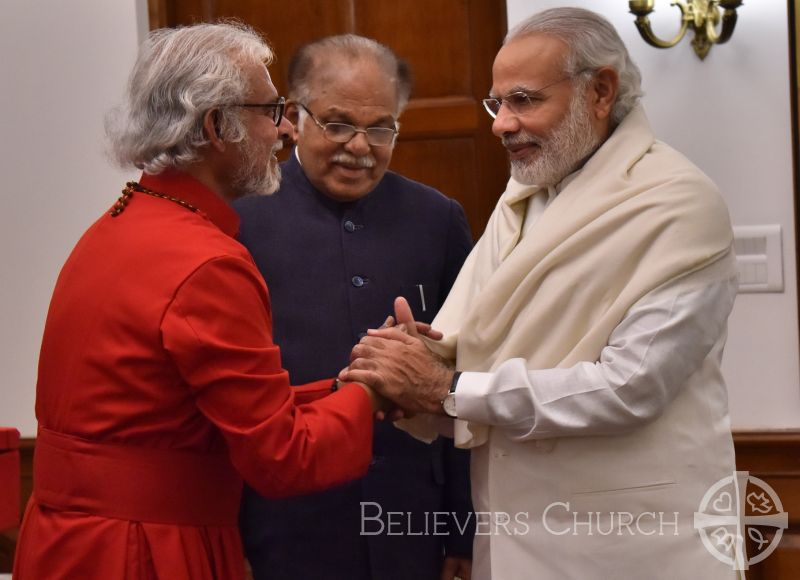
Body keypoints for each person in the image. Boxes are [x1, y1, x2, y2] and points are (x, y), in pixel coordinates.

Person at [344, 8, 739, 580]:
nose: (502, 124)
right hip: (516, 543)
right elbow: (482, 338)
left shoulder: (678, 203)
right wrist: (414, 359)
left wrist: (448, 387)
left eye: (525, 100)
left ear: (600, 90)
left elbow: (630, 387)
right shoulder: (524, 195)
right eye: (496, 103)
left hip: (630, 549)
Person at [13, 22, 386, 580]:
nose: (284, 129)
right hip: (145, 552)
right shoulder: (208, 262)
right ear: (217, 125)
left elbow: (200, 412)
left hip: (71, 542)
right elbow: (283, 456)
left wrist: (340, 390)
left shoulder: (117, 225)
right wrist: (373, 389)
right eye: (271, 109)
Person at [234, 34, 475, 580]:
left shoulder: (437, 219)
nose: (360, 147)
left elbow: (468, 369)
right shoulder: (240, 219)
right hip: (284, 525)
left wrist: (463, 527)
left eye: (381, 128)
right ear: (295, 117)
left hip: (411, 521)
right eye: (338, 123)